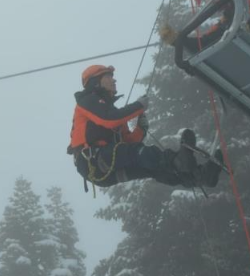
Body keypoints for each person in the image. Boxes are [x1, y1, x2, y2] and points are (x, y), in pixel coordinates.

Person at [67, 64, 223, 190]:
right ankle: (179, 161)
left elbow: (128, 140)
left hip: (104, 169)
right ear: (96, 82)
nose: (114, 81)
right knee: (140, 153)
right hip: (92, 161)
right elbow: (109, 120)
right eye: (108, 77)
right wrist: (139, 106)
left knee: (152, 167)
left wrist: (140, 128)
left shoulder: (109, 110)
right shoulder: (87, 101)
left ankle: (198, 177)